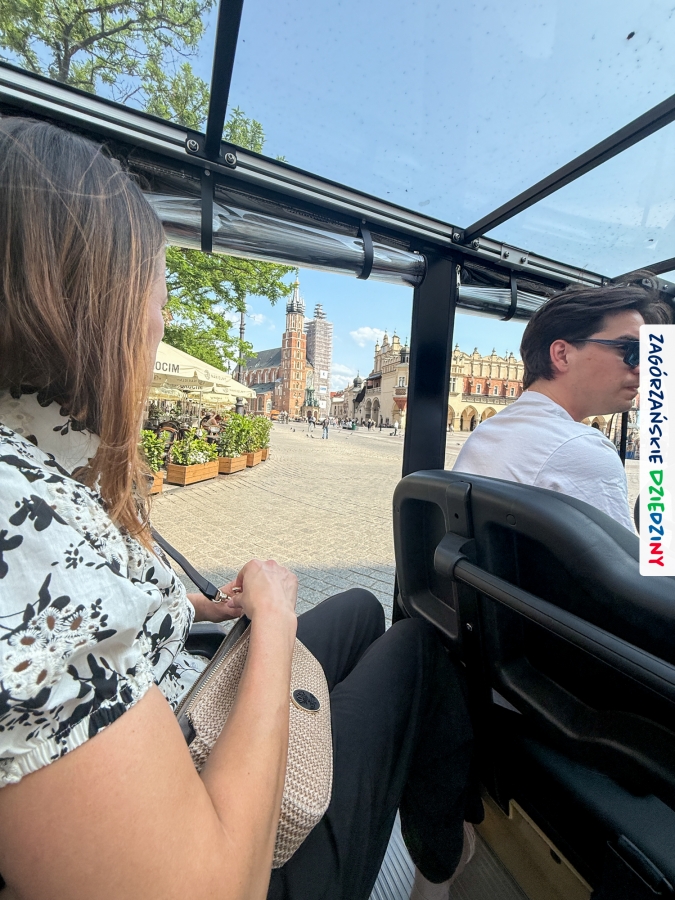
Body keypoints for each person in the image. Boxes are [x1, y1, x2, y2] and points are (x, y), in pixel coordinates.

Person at [0, 118, 476, 900]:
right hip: (219, 825)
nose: (158, 327)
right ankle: (439, 865)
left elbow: (77, 623)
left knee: (360, 608)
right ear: (88, 310)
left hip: (177, 702)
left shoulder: (37, 465)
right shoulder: (19, 521)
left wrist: (198, 605)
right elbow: (217, 885)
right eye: (153, 301)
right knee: (419, 651)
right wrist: (275, 618)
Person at [454, 279, 671, 532]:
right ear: (562, 355)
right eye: (631, 350)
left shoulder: (487, 432)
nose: (643, 369)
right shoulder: (579, 447)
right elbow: (624, 558)